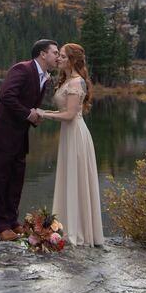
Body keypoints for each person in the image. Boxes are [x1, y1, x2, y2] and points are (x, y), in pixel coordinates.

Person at [0, 39, 60, 241]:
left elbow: (28, 105)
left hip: (19, 137)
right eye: (55, 52)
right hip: (1, 135)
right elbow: (6, 96)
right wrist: (29, 114)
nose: (58, 56)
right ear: (42, 54)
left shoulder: (44, 76)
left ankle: (13, 222)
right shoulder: (23, 69)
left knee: (15, 180)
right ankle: (1, 227)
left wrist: (35, 118)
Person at [38, 43, 104, 246]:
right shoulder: (67, 81)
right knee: (70, 177)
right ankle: (67, 227)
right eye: (59, 56)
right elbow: (66, 112)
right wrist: (44, 112)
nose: (59, 59)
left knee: (75, 178)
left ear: (73, 60)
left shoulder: (76, 83)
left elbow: (69, 115)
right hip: (69, 134)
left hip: (76, 135)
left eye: (64, 57)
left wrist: (44, 114)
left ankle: (77, 232)